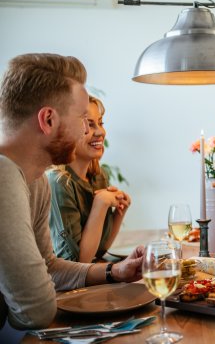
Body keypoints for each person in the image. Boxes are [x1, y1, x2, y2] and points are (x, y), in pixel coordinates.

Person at [0, 53, 143, 335]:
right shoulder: (3, 175)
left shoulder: (36, 181)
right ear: (48, 120)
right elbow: (36, 312)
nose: (85, 129)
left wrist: (115, 272)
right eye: (81, 118)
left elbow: (49, 267)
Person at [47, 96, 131, 262]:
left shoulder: (99, 177)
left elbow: (100, 249)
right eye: (90, 124)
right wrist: (100, 204)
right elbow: (77, 264)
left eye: (100, 123)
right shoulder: (58, 182)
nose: (101, 132)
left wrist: (120, 212)